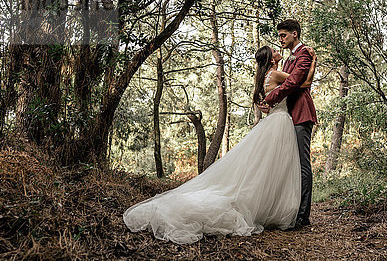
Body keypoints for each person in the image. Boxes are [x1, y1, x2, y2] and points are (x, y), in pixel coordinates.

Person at [123, 45, 317, 244]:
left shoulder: (264, 78)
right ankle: (274, 208)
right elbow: (302, 83)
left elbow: (273, 100)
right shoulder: (275, 74)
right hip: (281, 122)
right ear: (270, 59)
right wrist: (313, 65)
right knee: (276, 167)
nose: (278, 50)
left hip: (274, 121)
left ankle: (267, 205)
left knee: (265, 168)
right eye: (274, 50)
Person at [261, 19, 318, 228]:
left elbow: (294, 83)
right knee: (288, 165)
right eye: (279, 35)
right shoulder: (286, 60)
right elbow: (286, 83)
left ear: (295, 34)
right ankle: (290, 211)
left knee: (303, 165)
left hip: (301, 114)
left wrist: (269, 99)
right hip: (287, 115)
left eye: (283, 35)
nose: (280, 39)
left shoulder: (304, 54)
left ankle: (303, 217)